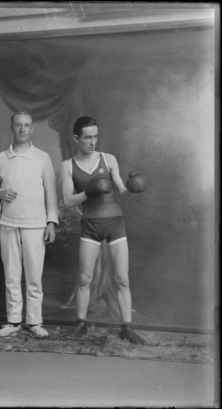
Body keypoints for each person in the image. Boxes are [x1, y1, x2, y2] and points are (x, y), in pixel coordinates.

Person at [61, 116, 149, 345]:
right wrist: (89, 191)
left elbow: (120, 192)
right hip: (90, 225)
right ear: (76, 138)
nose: (92, 141)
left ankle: (127, 328)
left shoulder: (108, 159)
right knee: (84, 278)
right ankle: (80, 324)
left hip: (115, 224)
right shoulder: (67, 165)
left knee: (122, 279)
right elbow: (68, 201)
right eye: (87, 137)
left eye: (95, 136)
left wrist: (132, 187)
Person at [0, 111, 58, 338]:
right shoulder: (2, 158)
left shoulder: (42, 157)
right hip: (8, 223)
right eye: (18, 125)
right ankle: (13, 321)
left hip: (36, 224)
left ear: (32, 128)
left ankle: (34, 322)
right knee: (12, 274)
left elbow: (51, 192)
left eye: (26, 125)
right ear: (11, 127)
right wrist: (0, 192)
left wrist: (51, 222)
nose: (22, 129)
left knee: (34, 275)